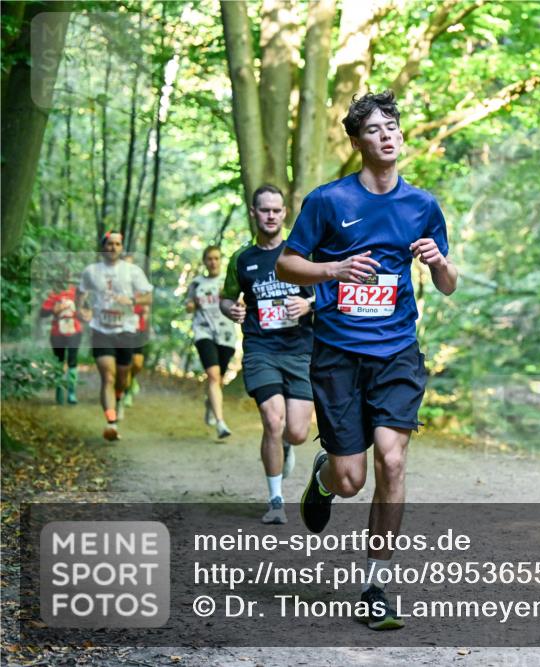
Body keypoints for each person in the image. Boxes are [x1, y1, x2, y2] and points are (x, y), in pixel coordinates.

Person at [276, 90, 457, 630]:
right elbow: (287, 264)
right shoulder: (329, 202)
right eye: (375, 129)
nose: (387, 135)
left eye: (393, 126)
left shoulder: (422, 205)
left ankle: (377, 584)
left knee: (393, 461)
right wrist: (332, 272)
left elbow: (447, 286)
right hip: (337, 354)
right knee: (352, 478)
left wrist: (438, 261)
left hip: (397, 349)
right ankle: (326, 477)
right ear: (357, 142)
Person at [221, 185, 315, 524]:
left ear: (284, 213)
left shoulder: (302, 252)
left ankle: (287, 447)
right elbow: (226, 298)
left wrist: (308, 303)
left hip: (301, 350)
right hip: (261, 349)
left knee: (297, 432)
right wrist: (230, 309)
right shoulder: (242, 259)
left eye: (276, 210)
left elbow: (328, 291)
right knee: (272, 421)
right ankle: (275, 501)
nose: (271, 215)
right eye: (265, 210)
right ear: (253, 213)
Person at [77, 231, 153, 441]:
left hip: (126, 330)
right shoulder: (91, 271)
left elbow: (148, 296)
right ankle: (110, 422)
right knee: (107, 376)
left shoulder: (132, 271)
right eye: (110, 244)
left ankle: (119, 399)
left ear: (121, 247)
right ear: (103, 247)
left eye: (117, 244)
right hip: (101, 330)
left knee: (122, 376)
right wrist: (81, 310)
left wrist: (132, 302)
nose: (113, 248)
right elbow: (80, 294)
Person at [185, 245, 237, 439]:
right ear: (205, 261)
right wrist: (192, 304)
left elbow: (241, 303)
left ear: (220, 260)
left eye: (216, 258)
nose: (213, 262)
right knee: (213, 375)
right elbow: (188, 306)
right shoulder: (197, 283)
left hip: (226, 334)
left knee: (219, 379)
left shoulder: (229, 281)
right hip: (203, 331)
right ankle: (221, 423)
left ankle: (210, 404)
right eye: (209, 259)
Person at [39, 272, 83, 405]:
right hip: (57, 333)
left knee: (72, 360)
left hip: (74, 331)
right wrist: (55, 308)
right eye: (62, 277)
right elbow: (43, 313)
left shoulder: (76, 293)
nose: (65, 279)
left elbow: (85, 309)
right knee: (59, 361)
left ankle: (71, 392)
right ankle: (59, 391)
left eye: (67, 276)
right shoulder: (53, 294)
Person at [121, 253, 150, 409]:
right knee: (123, 364)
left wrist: (144, 311)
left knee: (137, 363)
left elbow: (146, 307)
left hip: (138, 330)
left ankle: (131, 380)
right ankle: (126, 392)